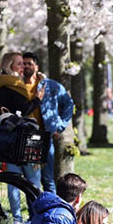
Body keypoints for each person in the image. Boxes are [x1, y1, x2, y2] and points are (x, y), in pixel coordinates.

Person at [0, 52, 45, 224]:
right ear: (10, 66)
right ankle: (34, 217)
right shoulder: (14, 85)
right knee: (32, 180)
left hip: (6, 137)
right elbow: (24, 109)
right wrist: (37, 99)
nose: (23, 67)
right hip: (24, 136)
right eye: (19, 64)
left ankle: (16, 219)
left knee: (13, 179)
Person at [23, 52, 74, 194]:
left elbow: (68, 104)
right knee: (30, 181)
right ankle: (34, 213)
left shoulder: (50, 86)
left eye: (30, 63)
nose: (26, 66)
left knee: (48, 179)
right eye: (24, 63)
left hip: (45, 136)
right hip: (25, 136)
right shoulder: (18, 86)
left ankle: (50, 211)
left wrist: (60, 126)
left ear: (36, 67)